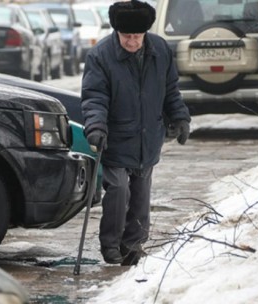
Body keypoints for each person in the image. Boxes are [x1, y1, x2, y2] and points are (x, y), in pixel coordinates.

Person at [81, 0, 191, 266]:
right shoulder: (100, 55)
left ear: (145, 33)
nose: (132, 42)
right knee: (118, 190)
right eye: (127, 36)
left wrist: (180, 117)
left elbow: (170, 90)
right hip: (116, 137)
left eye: (137, 36)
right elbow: (95, 97)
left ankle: (133, 246)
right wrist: (96, 127)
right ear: (117, 32)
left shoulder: (160, 50)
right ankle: (110, 245)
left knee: (141, 196)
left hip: (148, 136)